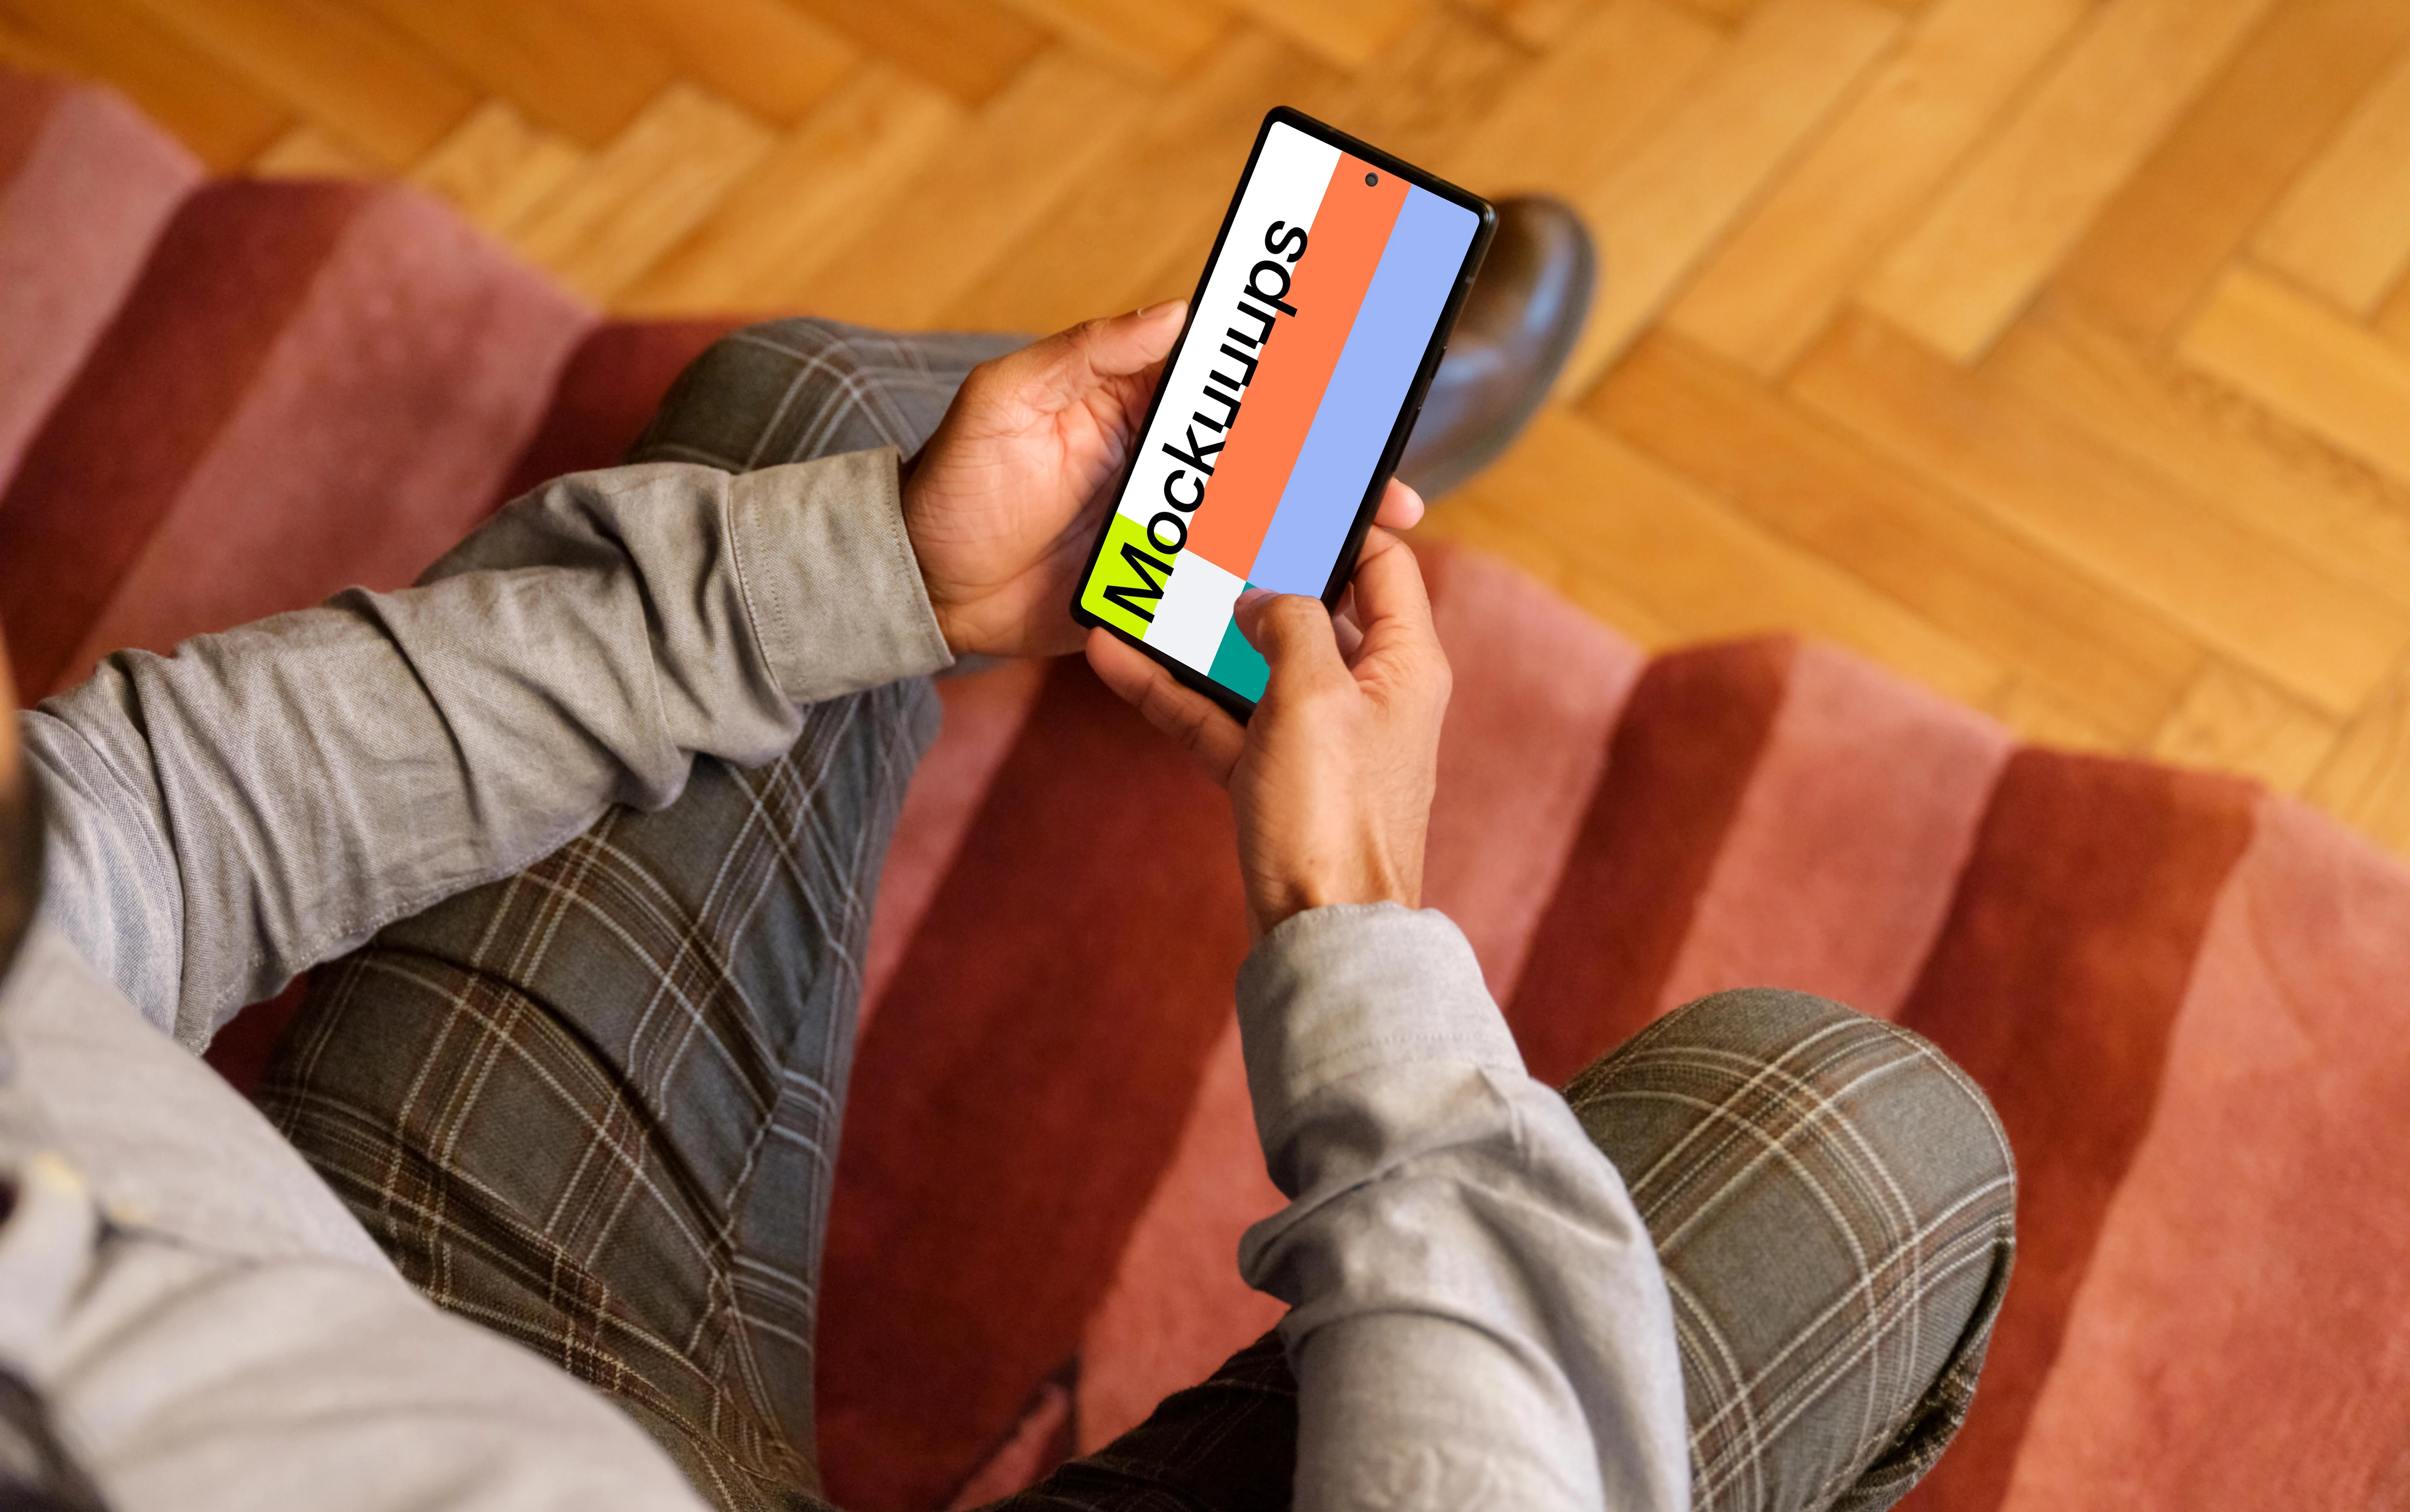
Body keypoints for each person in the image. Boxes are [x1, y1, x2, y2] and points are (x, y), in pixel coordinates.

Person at [0, 201, 2013, 1512]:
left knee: (817, 432)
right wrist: (1354, 926)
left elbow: (120, 828)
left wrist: (869, 566)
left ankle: (1268, 493)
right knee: (1861, 1143)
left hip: (386, 1330)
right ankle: (1276, 505)